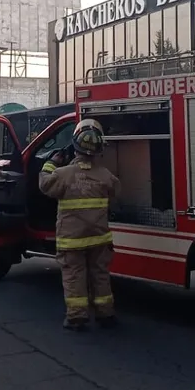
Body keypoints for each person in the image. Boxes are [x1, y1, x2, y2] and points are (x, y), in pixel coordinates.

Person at [38, 119, 120, 331]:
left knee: (74, 276)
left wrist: (51, 163)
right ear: (99, 149)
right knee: (100, 276)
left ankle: (77, 317)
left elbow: (44, 184)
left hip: (72, 240)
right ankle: (106, 314)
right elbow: (115, 193)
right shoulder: (106, 176)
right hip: (100, 238)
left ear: (75, 146)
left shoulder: (63, 174)